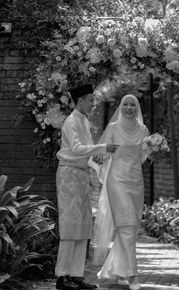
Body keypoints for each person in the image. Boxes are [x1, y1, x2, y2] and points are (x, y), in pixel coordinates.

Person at [55, 84, 119, 290]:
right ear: (80, 100)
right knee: (69, 225)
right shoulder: (71, 122)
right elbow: (76, 149)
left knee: (82, 225)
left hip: (81, 174)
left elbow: (86, 153)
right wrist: (102, 147)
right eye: (91, 99)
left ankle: (75, 275)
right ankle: (61, 277)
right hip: (69, 175)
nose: (93, 103)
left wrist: (98, 159)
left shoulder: (83, 121)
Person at [92, 94, 149, 290]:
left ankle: (118, 271)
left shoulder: (143, 130)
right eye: (126, 104)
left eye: (133, 104)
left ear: (137, 108)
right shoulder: (114, 128)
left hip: (136, 182)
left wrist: (156, 149)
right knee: (126, 226)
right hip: (116, 181)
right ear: (121, 107)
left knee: (130, 229)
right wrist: (100, 158)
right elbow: (102, 152)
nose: (129, 108)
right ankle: (133, 275)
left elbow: (142, 156)